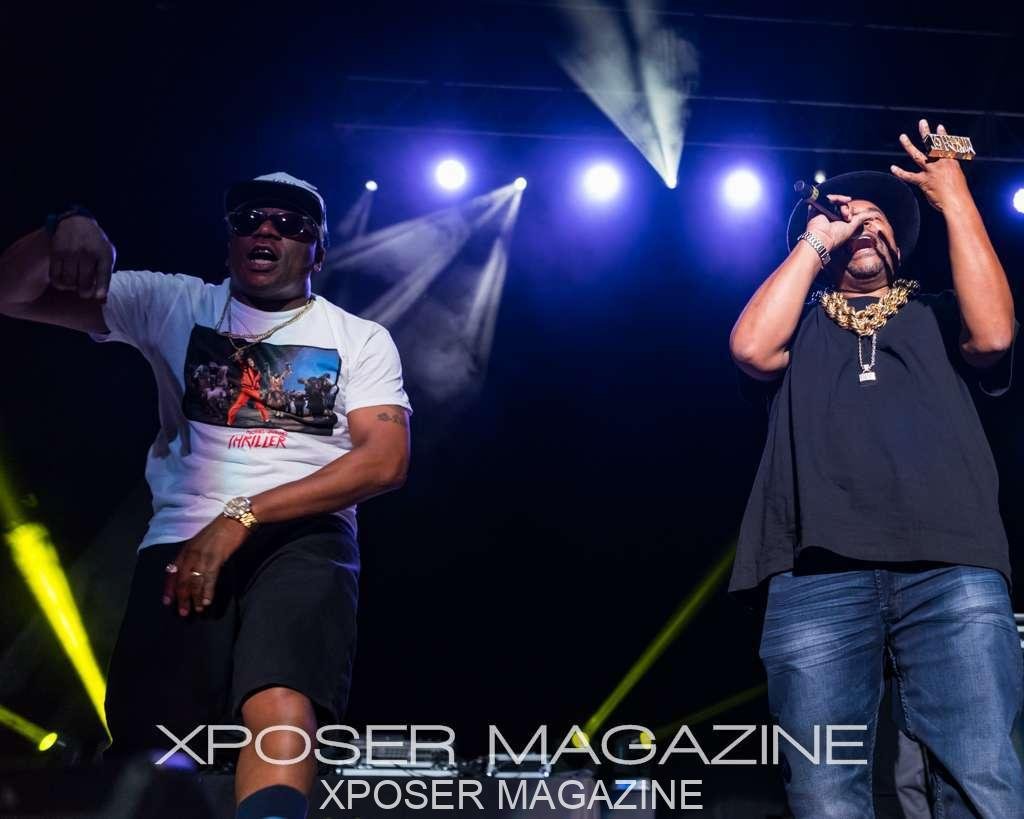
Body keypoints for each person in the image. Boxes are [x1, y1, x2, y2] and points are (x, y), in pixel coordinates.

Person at [0, 172, 412, 819]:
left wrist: (244, 514)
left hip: (306, 533)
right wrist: (62, 228)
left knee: (282, 700)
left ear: (319, 252)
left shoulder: (358, 337)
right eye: (250, 219)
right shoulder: (173, 302)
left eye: (291, 224)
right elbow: (12, 294)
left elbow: (385, 460)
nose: (267, 230)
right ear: (230, 240)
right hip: (182, 537)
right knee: (155, 735)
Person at [728, 119, 1022, 817]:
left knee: (983, 779)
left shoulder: (938, 314)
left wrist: (955, 198)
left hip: (952, 565)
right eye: (846, 216)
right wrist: (817, 239)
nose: (860, 222)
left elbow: (995, 335)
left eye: (876, 216)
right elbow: (750, 349)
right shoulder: (798, 327)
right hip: (815, 574)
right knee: (824, 791)